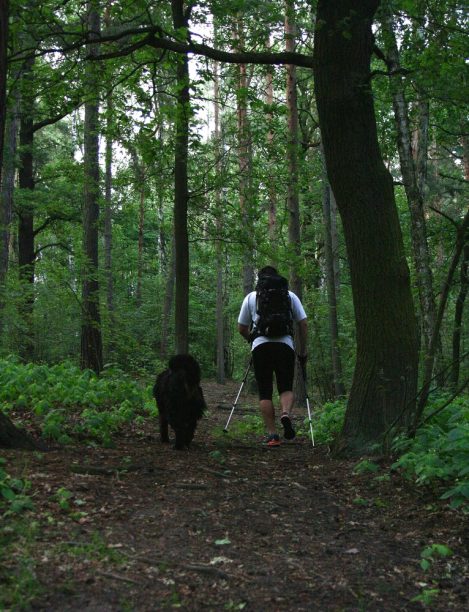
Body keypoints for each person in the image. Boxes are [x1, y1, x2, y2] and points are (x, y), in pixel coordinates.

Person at [238, 266, 308, 447]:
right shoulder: (290, 296)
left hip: (260, 347)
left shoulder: (251, 298)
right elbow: (303, 323)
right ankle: (285, 413)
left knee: (265, 391)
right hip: (285, 345)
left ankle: (272, 435)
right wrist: (302, 349)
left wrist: (251, 340)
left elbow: (242, 328)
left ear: (259, 280)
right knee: (285, 386)